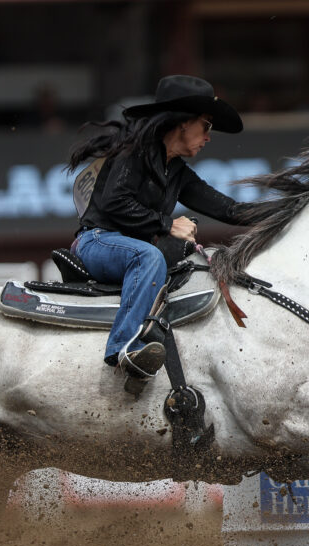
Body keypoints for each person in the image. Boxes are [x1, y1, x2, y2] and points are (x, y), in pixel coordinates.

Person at [66, 74, 255, 392]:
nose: (209, 137)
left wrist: (288, 211)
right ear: (184, 123)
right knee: (149, 256)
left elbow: (229, 210)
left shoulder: (177, 171)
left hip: (128, 250)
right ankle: (123, 350)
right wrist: (167, 224)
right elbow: (114, 202)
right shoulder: (133, 151)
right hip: (96, 241)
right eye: (206, 125)